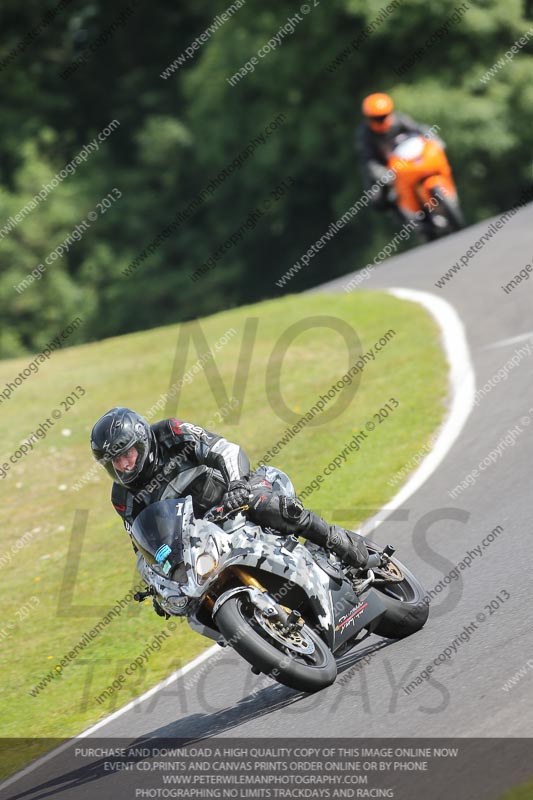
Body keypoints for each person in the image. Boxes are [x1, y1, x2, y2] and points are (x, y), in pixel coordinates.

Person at [90, 408, 371, 599]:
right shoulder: (122, 497)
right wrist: (159, 583)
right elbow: (142, 548)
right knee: (194, 596)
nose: (124, 465)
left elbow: (225, 449)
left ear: (142, 441)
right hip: (201, 540)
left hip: (235, 494)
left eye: (127, 454)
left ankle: (341, 545)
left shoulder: (171, 433)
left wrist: (236, 484)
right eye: (115, 461)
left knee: (268, 505)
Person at [356, 92, 439, 213]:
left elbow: (419, 129)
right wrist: (381, 173)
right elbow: (369, 160)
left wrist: (434, 139)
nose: (382, 120)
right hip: (385, 167)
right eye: (377, 118)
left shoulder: (400, 120)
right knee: (378, 199)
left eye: (384, 116)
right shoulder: (365, 134)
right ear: (369, 117)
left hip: (407, 159)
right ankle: (404, 212)